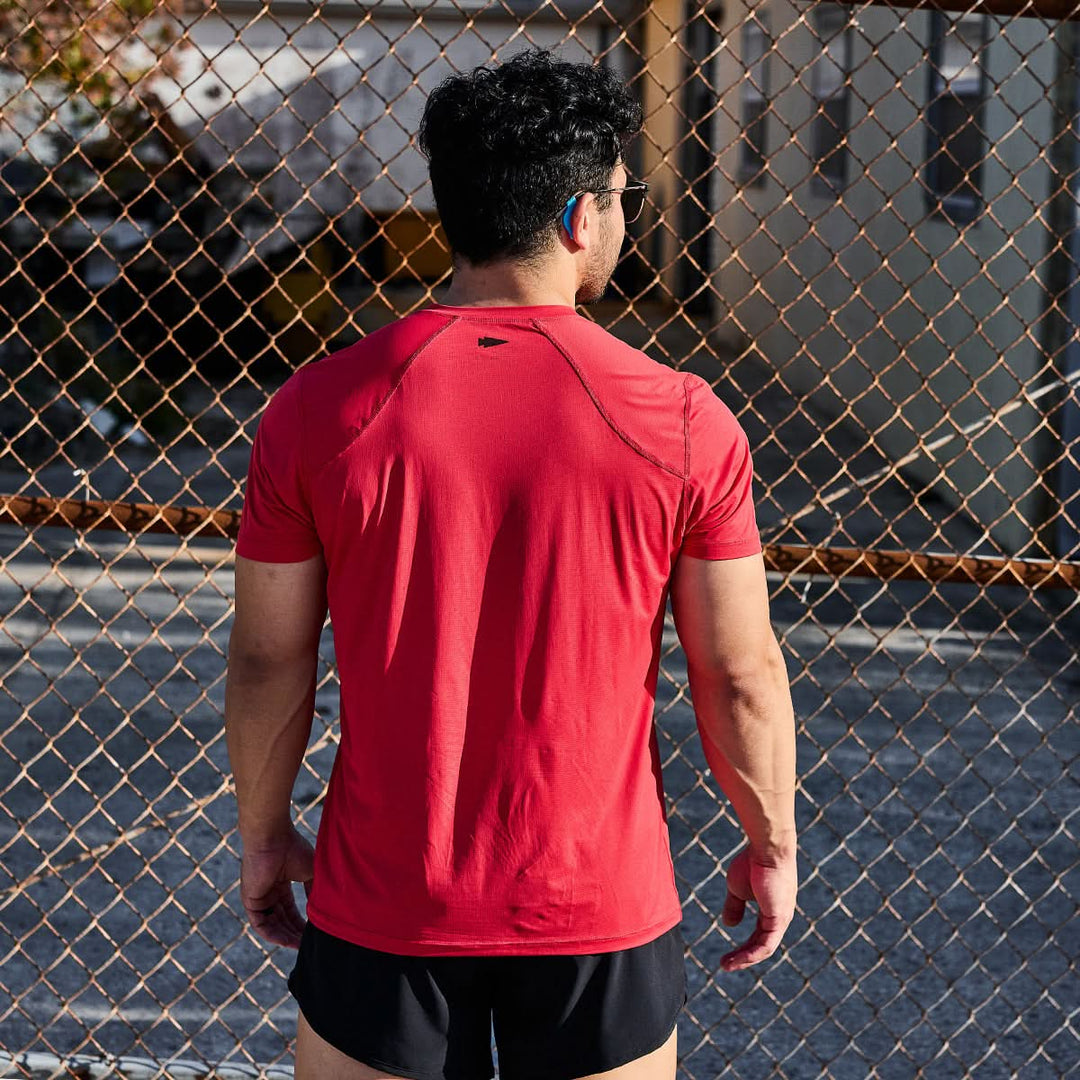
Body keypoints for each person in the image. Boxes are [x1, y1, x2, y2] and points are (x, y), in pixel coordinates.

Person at [224, 47, 797, 1080]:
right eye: (623, 197)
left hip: (385, 900)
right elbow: (739, 670)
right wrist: (772, 840)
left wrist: (265, 840)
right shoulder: (682, 421)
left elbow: (270, 662)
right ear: (583, 215)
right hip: (594, 906)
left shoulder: (316, 410)